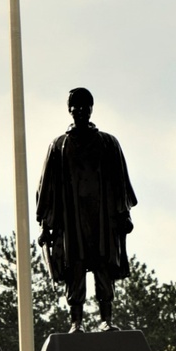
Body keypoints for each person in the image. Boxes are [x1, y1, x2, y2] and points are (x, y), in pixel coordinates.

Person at [36, 87, 137, 332]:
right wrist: (45, 225)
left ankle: (106, 320)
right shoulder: (58, 145)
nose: (80, 110)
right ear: (69, 110)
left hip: (101, 217)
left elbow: (120, 183)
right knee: (75, 267)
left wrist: (125, 214)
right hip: (71, 219)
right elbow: (46, 189)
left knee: (103, 265)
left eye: (85, 106)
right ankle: (76, 322)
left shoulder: (108, 143)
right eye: (75, 106)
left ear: (92, 108)